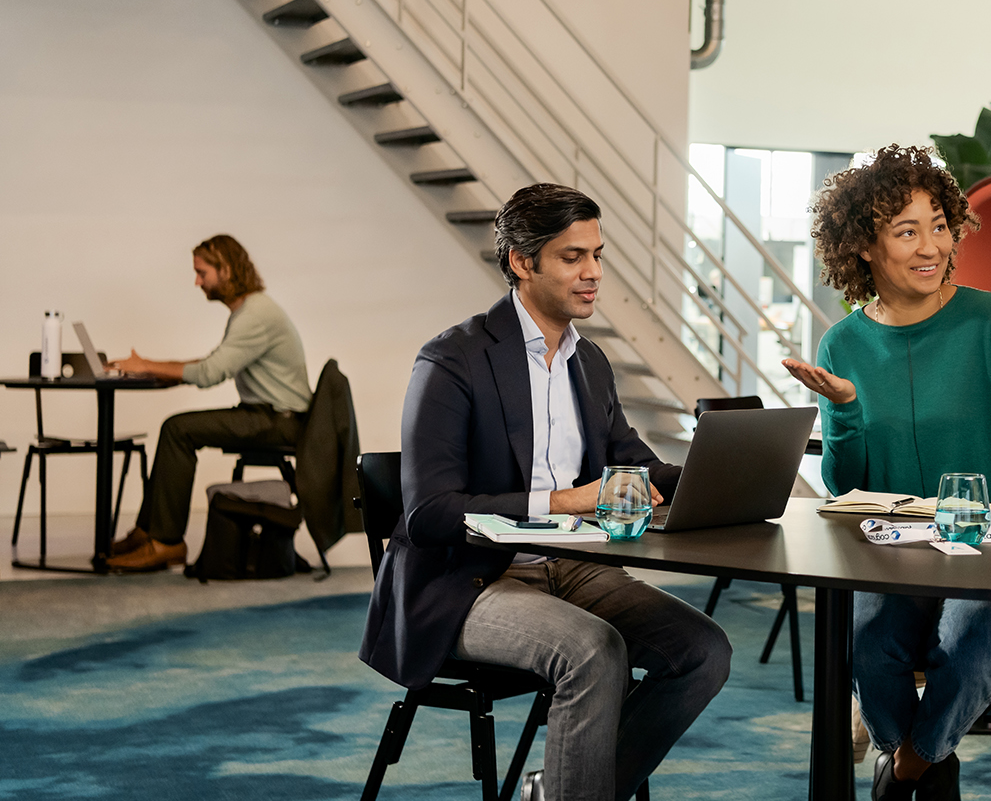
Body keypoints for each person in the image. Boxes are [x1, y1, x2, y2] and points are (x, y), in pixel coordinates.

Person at [358, 184, 731, 801]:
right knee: (592, 650)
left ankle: (558, 790)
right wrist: (565, 502)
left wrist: (715, 476)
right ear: (521, 262)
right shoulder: (453, 360)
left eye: (598, 255)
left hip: (570, 567)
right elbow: (428, 513)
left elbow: (632, 463)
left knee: (702, 649)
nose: (593, 274)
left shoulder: (589, 364)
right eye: (573, 257)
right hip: (463, 581)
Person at [783, 145, 991, 801]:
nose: (930, 246)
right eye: (906, 231)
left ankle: (907, 769)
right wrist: (842, 411)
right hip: (893, 557)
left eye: (938, 225)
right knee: (869, 646)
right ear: (864, 247)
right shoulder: (843, 343)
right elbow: (845, 487)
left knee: (969, 643)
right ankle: (929, 766)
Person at [106, 235, 311, 572]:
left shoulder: (255, 315)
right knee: (177, 428)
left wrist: (146, 365)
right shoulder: (250, 310)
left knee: (178, 430)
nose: (197, 281)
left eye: (202, 273)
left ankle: (167, 542)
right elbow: (212, 363)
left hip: (278, 419)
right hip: (266, 413)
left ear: (226, 270)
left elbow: (209, 373)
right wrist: (156, 371)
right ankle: (148, 533)